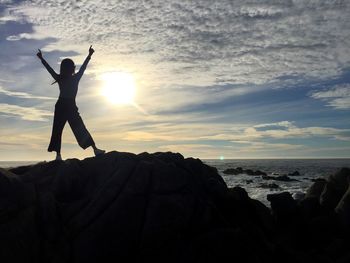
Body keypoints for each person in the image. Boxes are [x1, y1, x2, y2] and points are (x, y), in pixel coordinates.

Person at [37, 45, 105, 161]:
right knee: (76, 128)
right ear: (72, 68)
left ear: (63, 68)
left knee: (64, 129)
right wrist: (89, 55)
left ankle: (59, 155)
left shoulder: (62, 78)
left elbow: (49, 69)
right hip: (67, 105)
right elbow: (83, 67)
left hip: (63, 106)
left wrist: (42, 59)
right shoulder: (73, 78)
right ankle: (95, 149)